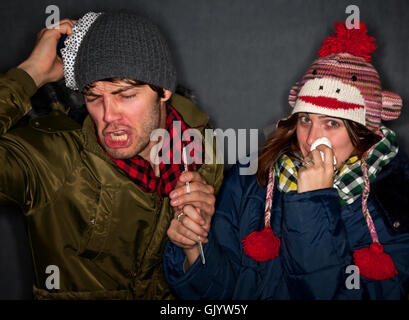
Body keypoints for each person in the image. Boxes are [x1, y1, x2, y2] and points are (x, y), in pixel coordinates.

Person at [163, 21, 409, 299]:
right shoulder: (251, 177)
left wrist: (314, 203)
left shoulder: (395, 197)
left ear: (364, 133)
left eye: (332, 123)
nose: (311, 139)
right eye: (305, 119)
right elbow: (225, 294)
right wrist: (194, 251)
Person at [0, 11, 223, 299]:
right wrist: (31, 73)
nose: (108, 116)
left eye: (125, 95)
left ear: (164, 90)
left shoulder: (203, 155)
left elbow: (220, 289)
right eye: (93, 97)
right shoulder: (51, 159)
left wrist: (195, 249)